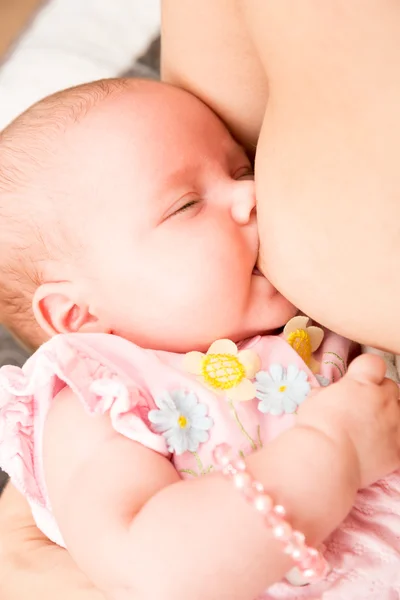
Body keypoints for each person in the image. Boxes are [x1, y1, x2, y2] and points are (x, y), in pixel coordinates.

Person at [3, 2, 400, 597]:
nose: (248, 196)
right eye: (187, 205)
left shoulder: (292, 328)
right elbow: (158, 572)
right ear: (79, 317)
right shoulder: (105, 402)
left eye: (242, 168)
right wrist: (332, 452)